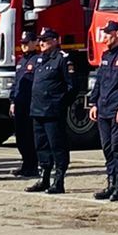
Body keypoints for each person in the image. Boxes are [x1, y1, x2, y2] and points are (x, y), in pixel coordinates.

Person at [88, 21, 118, 201]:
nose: (105, 37)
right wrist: (93, 103)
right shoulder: (106, 55)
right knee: (107, 147)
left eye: (108, 34)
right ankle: (110, 184)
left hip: (117, 109)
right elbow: (99, 81)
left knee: (117, 147)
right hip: (103, 108)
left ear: (117, 34)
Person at [25, 27, 73, 195]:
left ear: (55, 41)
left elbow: (71, 87)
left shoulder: (62, 59)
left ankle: (58, 181)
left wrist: (60, 104)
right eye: (41, 40)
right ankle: (44, 178)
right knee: (41, 146)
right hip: (37, 110)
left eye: (45, 40)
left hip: (53, 111)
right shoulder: (39, 60)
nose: (42, 43)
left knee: (57, 146)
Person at [9, 29, 40, 179]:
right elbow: (16, 84)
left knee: (30, 136)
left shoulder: (37, 60)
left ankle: (33, 166)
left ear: (35, 43)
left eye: (27, 43)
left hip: (31, 104)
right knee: (21, 137)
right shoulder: (21, 61)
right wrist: (12, 100)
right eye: (23, 44)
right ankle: (25, 164)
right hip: (20, 104)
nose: (24, 46)